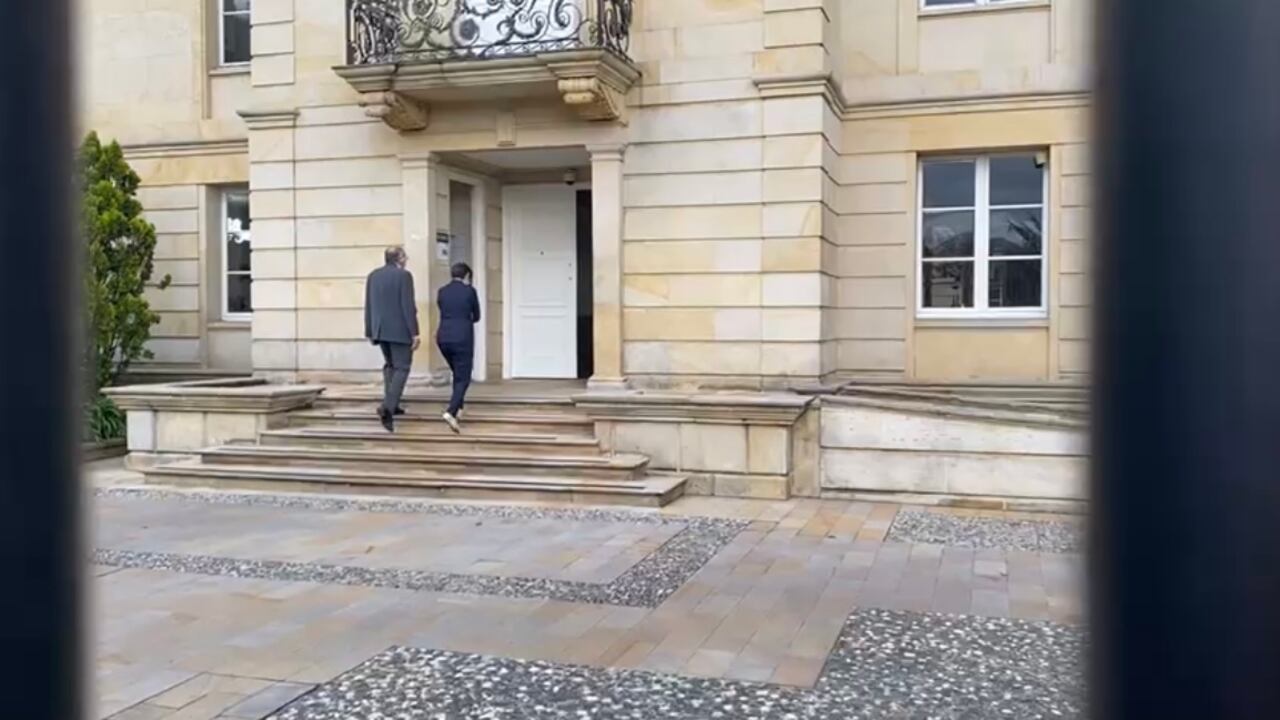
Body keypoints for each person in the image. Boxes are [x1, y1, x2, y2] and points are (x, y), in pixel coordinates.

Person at [363, 246, 420, 432]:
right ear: (399, 258)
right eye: (405, 256)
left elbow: (369, 305)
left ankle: (392, 404)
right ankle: (387, 407)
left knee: (390, 366)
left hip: (380, 329)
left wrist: (370, 330)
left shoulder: (373, 275)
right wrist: (414, 332)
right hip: (400, 330)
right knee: (402, 367)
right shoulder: (404, 276)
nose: (407, 259)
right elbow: (407, 305)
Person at [436, 261, 481, 433]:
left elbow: (442, 310)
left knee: (457, 373)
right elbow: (476, 316)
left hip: (443, 337)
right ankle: (451, 411)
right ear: (467, 276)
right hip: (462, 338)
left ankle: (459, 409)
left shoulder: (442, 291)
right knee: (463, 377)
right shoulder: (469, 291)